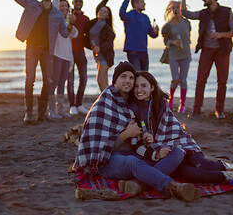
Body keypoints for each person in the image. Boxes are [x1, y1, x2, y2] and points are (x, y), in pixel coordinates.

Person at [73, 61, 200, 202]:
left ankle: (138, 185)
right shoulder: (104, 103)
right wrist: (126, 134)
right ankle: (174, 187)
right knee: (133, 162)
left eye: (131, 78)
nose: (127, 80)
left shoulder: (129, 102)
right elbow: (100, 148)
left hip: (134, 153)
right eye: (123, 76)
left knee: (177, 152)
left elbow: (138, 142)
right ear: (115, 80)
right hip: (108, 161)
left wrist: (154, 149)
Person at [129, 71, 233, 185]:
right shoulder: (133, 110)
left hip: (181, 143)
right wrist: (151, 147)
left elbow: (171, 129)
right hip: (164, 154)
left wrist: (156, 139)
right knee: (191, 175)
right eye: (136, 86)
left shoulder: (160, 104)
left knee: (201, 164)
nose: (139, 90)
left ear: (152, 87)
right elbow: (137, 145)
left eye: (143, 85)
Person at [7, 0, 76, 122]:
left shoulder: (57, 14)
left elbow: (64, 33)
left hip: (47, 51)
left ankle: (41, 114)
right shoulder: (32, 4)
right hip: (31, 47)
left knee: (48, 81)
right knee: (30, 79)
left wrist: (70, 24)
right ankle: (29, 113)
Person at [181, 0, 233, 119]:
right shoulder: (203, 13)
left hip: (222, 50)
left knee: (222, 82)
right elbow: (185, 12)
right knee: (200, 81)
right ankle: (196, 110)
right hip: (206, 50)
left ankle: (220, 111)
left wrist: (220, 35)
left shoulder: (226, 12)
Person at [48, 0, 78, 119]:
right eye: (62, 5)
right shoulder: (54, 17)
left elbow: (74, 34)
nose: (64, 7)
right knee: (53, 82)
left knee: (62, 83)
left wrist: (71, 22)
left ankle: (60, 110)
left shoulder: (68, 23)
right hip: (56, 54)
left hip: (67, 57)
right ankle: (51, 110)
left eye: (66, 6)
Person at [162, 1, 192, 113]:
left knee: (183, 81)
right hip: (173, 55)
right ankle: (170, 101)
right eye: (173, 7)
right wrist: (173, 42)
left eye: (177, 7)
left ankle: (182, 105)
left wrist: (190, 54)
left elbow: (188, 39)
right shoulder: (167, 26)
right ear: (170, 10)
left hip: (185, 55)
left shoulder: (187, 23)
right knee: (175, 80)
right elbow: (166, 41)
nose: (175, 9)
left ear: (181, 8)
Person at [119, 0, 159, 71]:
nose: (144, 4)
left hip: (144, 51)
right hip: (132, 51)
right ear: (136, 4)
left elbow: (152, 34)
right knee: (137, 74)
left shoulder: (146, 17)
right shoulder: (129, 15)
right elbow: (121, 13)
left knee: (144, 76)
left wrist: (156, 31)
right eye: (142, 2)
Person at [83, 0, 116, 92]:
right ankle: (108, 101)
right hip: (97, 56)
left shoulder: (107, 28)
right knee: (104, 82)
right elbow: (99, 7)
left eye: (105, 12)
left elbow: (109, 43)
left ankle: (107, 100)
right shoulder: (94, 23)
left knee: (100, 80)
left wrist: (100, 48)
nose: (101, 12)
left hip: (105, 56)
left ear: (107, 16)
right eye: (101, 11)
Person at [65, 0, 90, 115]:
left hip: (81, 52)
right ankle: (72, 105)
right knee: (70, 81)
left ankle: (79, 104)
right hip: (69, 52)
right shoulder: (68, 16)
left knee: (83, 79)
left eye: (80, 1)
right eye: (76, 1)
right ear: (73, 2)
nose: (78, 3)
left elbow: (89, 36)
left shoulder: (86, 19)